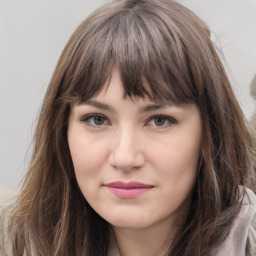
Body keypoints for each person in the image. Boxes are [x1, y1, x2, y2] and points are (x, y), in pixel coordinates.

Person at [1, 0, 256, 255]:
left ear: (210, 133)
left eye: (159, 120)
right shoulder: (17, 242)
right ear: (61, 132)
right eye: (97, 119)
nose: (124, 157)